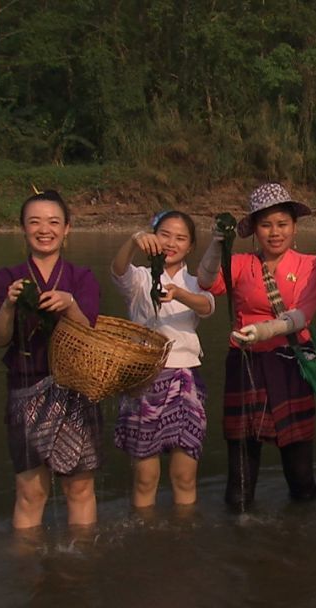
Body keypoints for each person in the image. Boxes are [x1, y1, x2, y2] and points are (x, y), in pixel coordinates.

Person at [197, 183, 316, 508]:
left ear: (294, 226)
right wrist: (216, 244)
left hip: (291, 364)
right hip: (245, 363)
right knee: (241, 459)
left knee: (299, 470)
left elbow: (301, 316)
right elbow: (206, 282)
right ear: (254, 229)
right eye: (266, 225)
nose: (275, 232)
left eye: (282, 224)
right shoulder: (240, 263)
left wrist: (265, 330)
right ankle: (239, 526)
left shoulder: (310, 265)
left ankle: (301, 532)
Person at [0, 190, 102, 529]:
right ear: (22, 228)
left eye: (54, 222)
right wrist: (9, 305)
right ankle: (27, 570)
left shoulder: (81, 278)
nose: (44, 229)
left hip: (76, 386)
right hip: (26, 387)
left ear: (67, 229)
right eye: (34, 222)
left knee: (79, 487)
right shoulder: (7, 277)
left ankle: (82, 564)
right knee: (30, 491)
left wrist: (70, 304)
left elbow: (89, 333)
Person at [111, 211, 215, 508]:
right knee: (145, 477)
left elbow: (206, 306)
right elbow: (118, 270)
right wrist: (133, 241)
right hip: (143, 379)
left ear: (191, 246)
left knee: (184, 475)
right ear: (154, 236)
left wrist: (179, 293)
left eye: (180, 238)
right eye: (165, 234)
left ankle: (183, 537)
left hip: (185, 380)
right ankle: (145, 538)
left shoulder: (196, 282)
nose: (171, 243)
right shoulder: (141, 278)